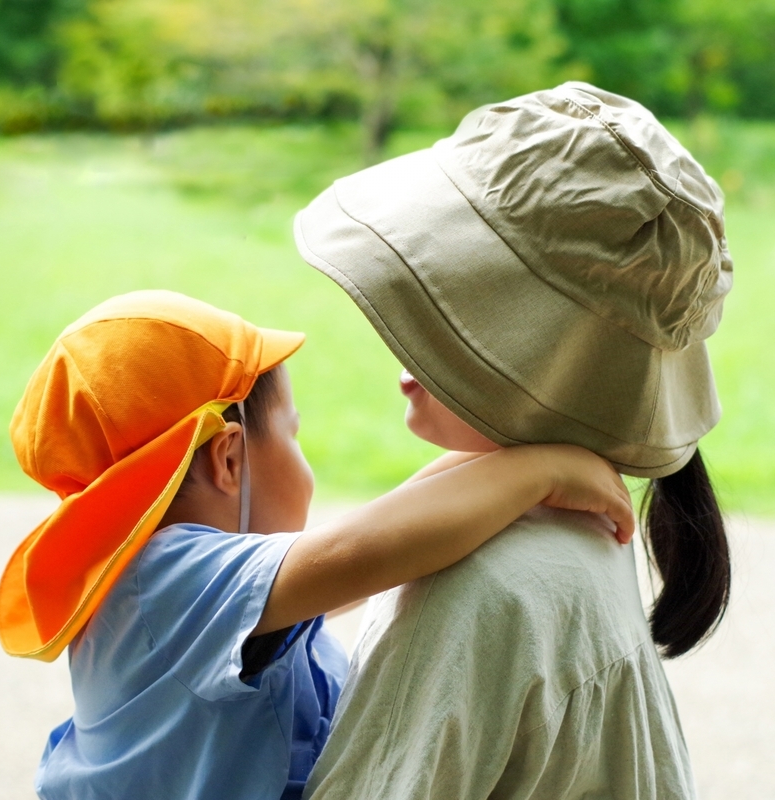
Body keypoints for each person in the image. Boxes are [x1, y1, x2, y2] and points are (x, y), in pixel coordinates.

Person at [0, 289, 635, 799]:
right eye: (292, 435)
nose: (305, 463)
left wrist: (504, 462)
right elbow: (364, 551)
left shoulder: (167, 588)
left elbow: (391, 531)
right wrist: (540, 473)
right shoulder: (167, 579)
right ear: (228, 460)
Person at [293, 82, 733, 798]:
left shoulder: (479, 584)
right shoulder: (575, 521)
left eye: (455, 313)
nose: (405, 347)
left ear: (556, 357)